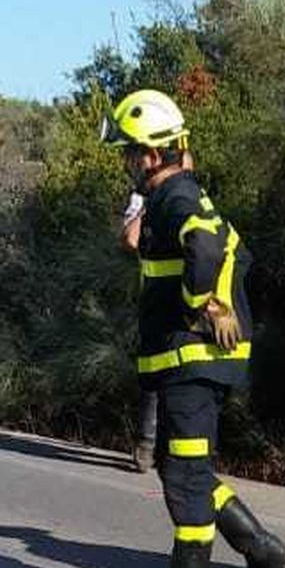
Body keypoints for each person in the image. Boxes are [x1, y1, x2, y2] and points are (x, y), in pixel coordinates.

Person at [102, 87, 285, 568]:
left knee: (184, 472)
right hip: (185, 360)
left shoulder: (175, 196)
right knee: (177, 465)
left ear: (153, 154)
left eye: (131, 152)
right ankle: (257, 547)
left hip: (192, 359)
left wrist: (202, 303)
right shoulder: (177, 194)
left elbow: (206, 246)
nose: (127, 162)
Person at [118, 190, 156, 472]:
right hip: (155, 300)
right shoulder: (143, 198)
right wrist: (149, 207)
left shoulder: (192, 198)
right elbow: (130, 239)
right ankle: (146, 444)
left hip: (190, 301)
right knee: (153, 372)